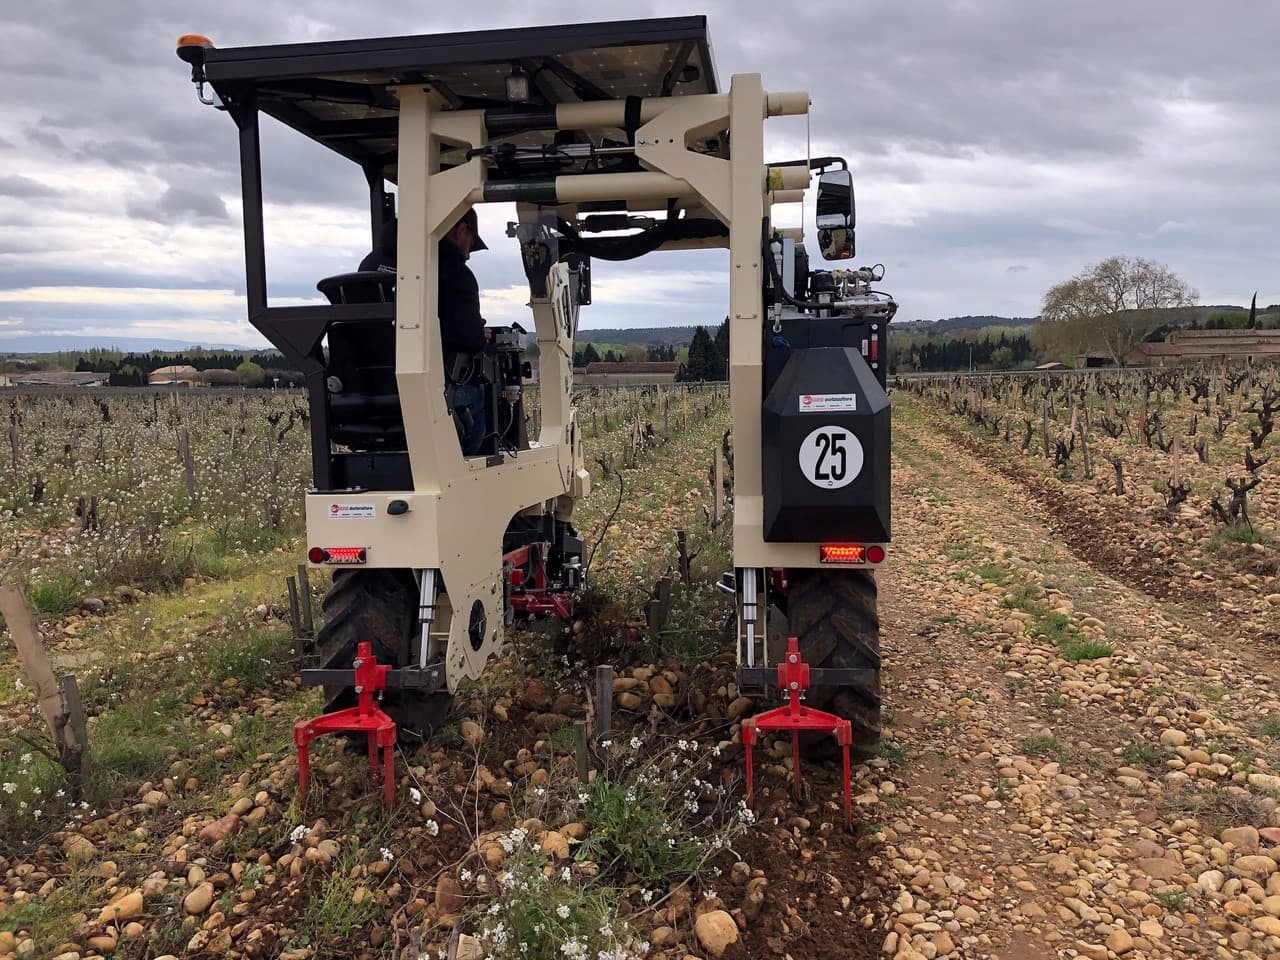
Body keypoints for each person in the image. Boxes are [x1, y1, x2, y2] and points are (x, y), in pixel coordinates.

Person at [360, 208, 491, 455]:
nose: (469, 253)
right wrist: (478, 333)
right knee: (483, 394)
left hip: (365, 395)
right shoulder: (453, 272)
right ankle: (469, 468)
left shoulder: (369, 264)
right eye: (471, 243)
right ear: (461, 230)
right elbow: (469, 339)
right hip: (429, 396)